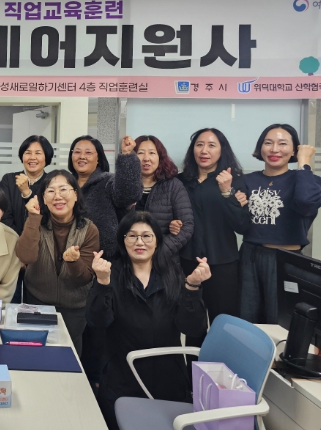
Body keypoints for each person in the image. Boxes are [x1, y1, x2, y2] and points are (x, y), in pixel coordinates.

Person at [88, 211, 210, 430]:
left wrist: (192, 287)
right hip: (121, 377)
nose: (139, 242)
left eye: (146, 236)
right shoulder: (111, 273)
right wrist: (102, 282)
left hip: (168, 378)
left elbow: (192, 328)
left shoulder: (173, 274)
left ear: (157, 241)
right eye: (132, 236)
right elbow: (98, 321)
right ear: (123, 241)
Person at [68, 134, 142, 388]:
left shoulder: (107, 182)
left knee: (98, 329)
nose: (82, 156)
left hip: (104, 267)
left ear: (99, 158)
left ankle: (96, 384)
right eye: (77, 151)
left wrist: (128, 157)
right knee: (77, 327)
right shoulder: (67, 185)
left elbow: (129, 194)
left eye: (88, 152)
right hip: (73, 266)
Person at [240, 123, 321, 324]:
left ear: (294, 150)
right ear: (260, 148)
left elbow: (306, 203)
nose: (274, 149)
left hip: (286, 259)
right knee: (247, 318)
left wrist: (304, 162)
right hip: (250, 256)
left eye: (283, 143)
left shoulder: (308, 180)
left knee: (281, 320)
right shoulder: (247, 180)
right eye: (268, 143)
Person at [15, 170, 99, 354]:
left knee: (68, 357)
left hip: (74, 308)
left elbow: (84, 278)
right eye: (51, 191)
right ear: (44, 199)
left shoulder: (89, 229)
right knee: (34, 355)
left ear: (76, 195)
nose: (58, 196)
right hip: (37, 303)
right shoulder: (36, 222)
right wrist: (33, 218)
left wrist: (74, 262)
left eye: (63, 189)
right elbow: (26, 257)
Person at [179, 128, 250, 334]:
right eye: (199, 145)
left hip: (223, 263)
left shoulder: (234, 180)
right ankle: (193, 357)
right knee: (191, 323)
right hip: (187, 260)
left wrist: (227, 192)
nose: (204, 150)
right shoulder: (181, 181)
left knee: (224, 325)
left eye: (211, 145)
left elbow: (242, 225)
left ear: (221, 150)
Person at [0, 134, 54, 303]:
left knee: (36, 305)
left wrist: (27, 193)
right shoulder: (9, 180)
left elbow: (47, 218)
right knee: (10, 302)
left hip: (41, 255)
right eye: (28, 152)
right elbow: (4, 217)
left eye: (38, 153)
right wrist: (20, 252)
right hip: (12, 254)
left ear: (46, 157)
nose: (32, 157)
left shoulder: (52, 183)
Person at [134, 135, 193, 258]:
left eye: (152, 153)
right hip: (129, 257)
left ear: (160, 157)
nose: (146, 158)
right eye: (140, 153)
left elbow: (186, 227)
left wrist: (158, 251)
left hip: (163, 260)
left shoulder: (173, 185)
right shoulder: (124, 186)